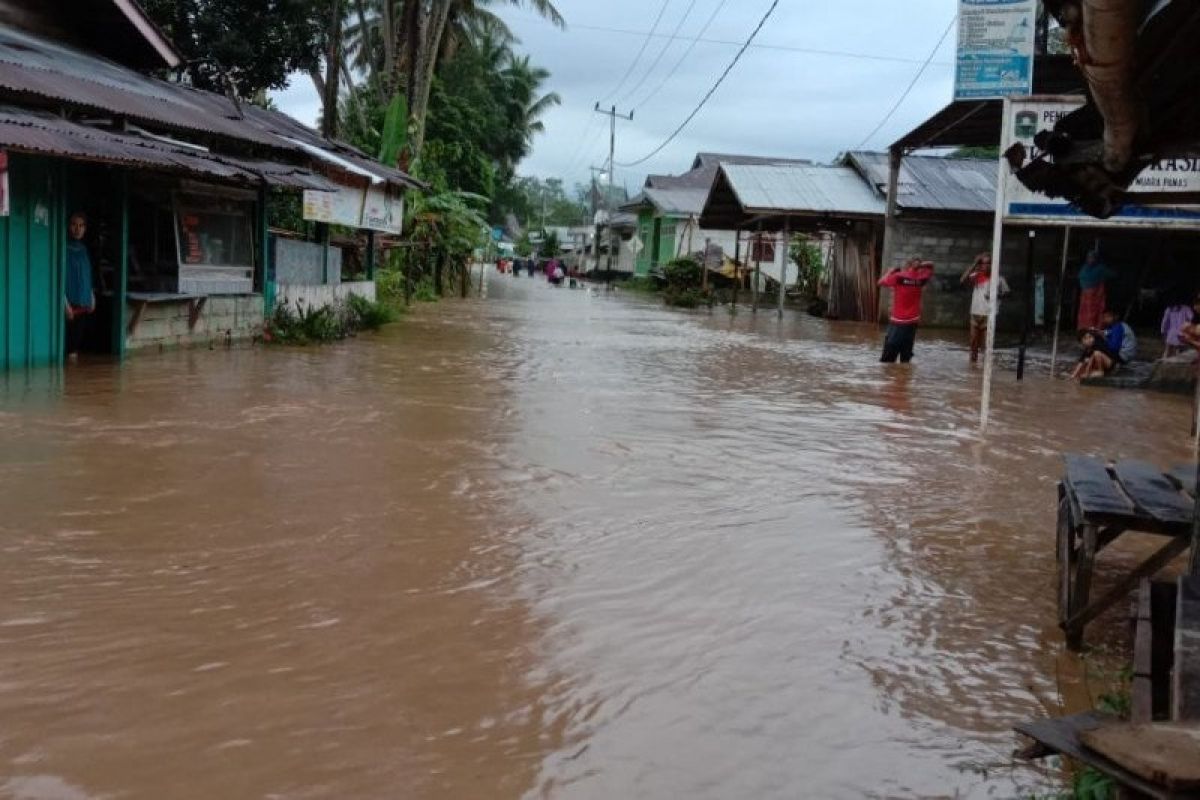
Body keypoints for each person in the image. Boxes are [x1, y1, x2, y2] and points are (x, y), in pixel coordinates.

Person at [878, 258, 935, 363]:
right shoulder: (921, 278)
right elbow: (931, 266)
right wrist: (921, 265)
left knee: (888, 358)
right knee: (906, 355)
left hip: (898, 321)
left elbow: (881, 282)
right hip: (912, 322)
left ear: (906, 266)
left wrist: (890, 272)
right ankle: (904, 375)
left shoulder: (898, 277)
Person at [959, 252, 1010, 363]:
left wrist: (996, 295)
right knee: (973, 342)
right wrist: (974, 263)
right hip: (975, 313)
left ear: (992, 264)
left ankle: (986, 368)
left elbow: (1007, 293)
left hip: (989, 315)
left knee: (987, 344)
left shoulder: (998, 278)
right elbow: (962, 280)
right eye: (982, 263)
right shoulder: (976, 276)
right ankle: (973, 366)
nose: (985, 266)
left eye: (988, 263)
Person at [64, 212, 95, 361]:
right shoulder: (63, 248)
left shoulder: (84, 249)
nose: (77, 229)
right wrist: (65, 303)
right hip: (69, 306)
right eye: (74, 225)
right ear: (68, 227)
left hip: (83, 303)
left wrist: (91, 296)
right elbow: (59, 277)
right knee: (69, 348)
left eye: (81, 225)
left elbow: (86, 275)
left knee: (75, 349)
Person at [1077, 249, 1115, 331]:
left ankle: (1094, 329)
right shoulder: (1084, 268)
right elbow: (1081, 278)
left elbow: (1112, 274)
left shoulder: (1100, 268)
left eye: (1092, 258)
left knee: (1096, 313)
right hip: (1087, 296)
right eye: (1089, 258)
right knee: (1085, 313)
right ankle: (1085, 329)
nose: (1090, 260)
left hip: (1096, 296)